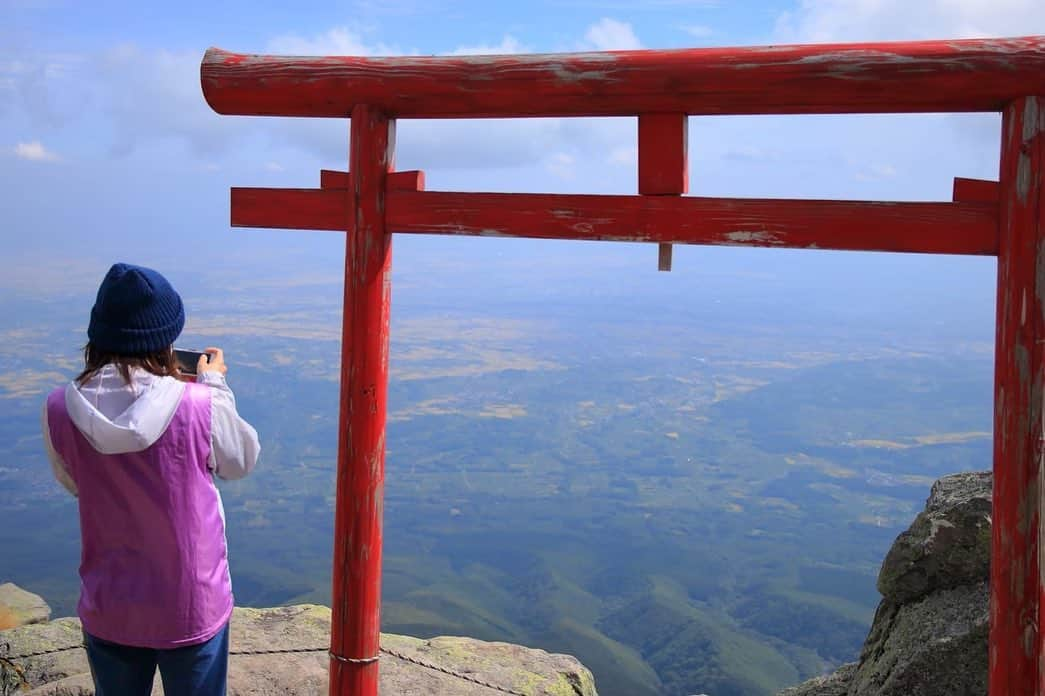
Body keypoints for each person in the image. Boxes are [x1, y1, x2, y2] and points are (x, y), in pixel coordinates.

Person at [41, 262, 260, 696]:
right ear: (165, 339)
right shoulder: (199, 404)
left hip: (110, 602)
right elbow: (241, 460)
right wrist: (214, 386)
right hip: (190, 604)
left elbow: (75, 482)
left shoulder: (60, 409)